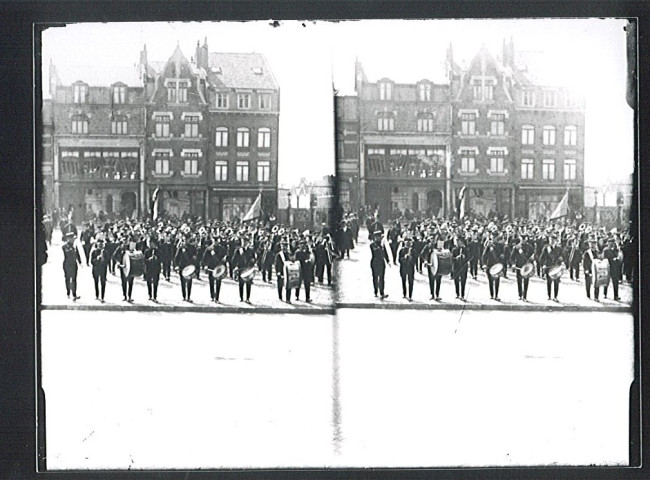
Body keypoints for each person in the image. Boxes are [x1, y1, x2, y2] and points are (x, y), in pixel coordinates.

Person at [539, 234, 564, 302]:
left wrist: (562, 259)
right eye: (551, 239)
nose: (552, 241)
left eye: (553, 240)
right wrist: (543, 265)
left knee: (556, 282)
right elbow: (541, 258)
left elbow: (563, 256)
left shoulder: (559, 248)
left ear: (556, 240)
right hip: (548, 267)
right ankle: (549, 296)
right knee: (549, 282)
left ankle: (555, 296)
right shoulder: (546, 248)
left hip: (556, 267)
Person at [202, 238, 227, 303]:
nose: (215, 242)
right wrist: (206, 265)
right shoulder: (209, 249)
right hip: (211, 267)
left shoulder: (222, 248)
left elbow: (225, 256)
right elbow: (205, 258)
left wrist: (225, 259)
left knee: (218, 283)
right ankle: (212, 296)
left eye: (217, 241)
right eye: (214, 241)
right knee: (211, 283)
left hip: (219, 268)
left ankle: (217, 298)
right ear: (212, 241)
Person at [232, 236, 257, 303]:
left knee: (248, 284)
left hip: (249, 269)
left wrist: (253, 260)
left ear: (248, 243)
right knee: (241, 284)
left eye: (245, 242)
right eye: (243, 241)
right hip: (241, 269)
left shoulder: (251, 250)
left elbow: (255, 259)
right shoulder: (238, 250)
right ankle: (241, 298)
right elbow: (234, 260)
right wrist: (236, 267)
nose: (244, 243)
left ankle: (247, 298)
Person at [112, 237, 135, 302]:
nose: (125, 242)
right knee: (124, 282)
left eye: (126, 240)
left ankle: (129, 296)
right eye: (124, 240)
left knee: (130, 282)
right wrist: (118, 262)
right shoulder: (119, 248)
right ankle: (125, 296)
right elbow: (114, 256)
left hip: (131, 267)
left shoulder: (131, 247)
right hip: (123, 267)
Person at [482, 236, 503, 301]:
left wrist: (502, 256)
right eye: (493, 238)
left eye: (495, 238)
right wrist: (484, 264)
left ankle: (496, 295)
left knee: (497, 281)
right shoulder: (488, 246)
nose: (494, 239)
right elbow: (484, 255)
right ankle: (491, 295)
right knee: (490, 281)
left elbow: (502, 255)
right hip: (489, 265)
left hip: (497, 266)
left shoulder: (500, 245)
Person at [369, 231, 390, 299]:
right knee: (375, 278)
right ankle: (375, 291)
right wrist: (381, 246)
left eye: (380, 237)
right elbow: (376, 251)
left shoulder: (382, 245)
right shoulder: (372, 245)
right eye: (378, 237)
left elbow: (385, 253)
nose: (380, 239)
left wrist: (388, 261)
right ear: (375, 237)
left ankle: (382, 293)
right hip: (375, 263)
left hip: (381, 263)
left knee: (382, 278)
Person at [174, 237, 195, 302]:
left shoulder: (192, 247)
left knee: (189, 283)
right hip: (182, 267)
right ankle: (184, 296)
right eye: (185, 239)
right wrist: (176, 266)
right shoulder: (181, 248)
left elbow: (195, 257)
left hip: (190, 267)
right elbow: (176, 257)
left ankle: (188, 297)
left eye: (187, 239)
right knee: (183, 282)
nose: (186, 241)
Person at [421, 236, 443, 301]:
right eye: (431, 239)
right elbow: (422, 254)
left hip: (439, 265)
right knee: (431, 280)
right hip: (431, 265)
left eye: (434, 239)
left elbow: (443, 253)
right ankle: (432, 295)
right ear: (429, 240)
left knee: (438, 280)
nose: (433, 240)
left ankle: (437, 294)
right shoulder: (427, 247)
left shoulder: (439, 246)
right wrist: (425, 260)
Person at [62, 232, 82, 300]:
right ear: (68, 239)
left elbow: (77, 254)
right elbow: (68, 253)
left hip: (74, 264)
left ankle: (74, 294)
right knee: (67, 279)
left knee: (74, 279)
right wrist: (72, 248)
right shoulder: (65, 246)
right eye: (72, 238)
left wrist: (80, 262)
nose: (73, 240)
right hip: (67, 264)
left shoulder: (74, 246)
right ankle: (68, 293)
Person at [511, 237, 531, 302]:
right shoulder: (516, 248)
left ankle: (525, 296)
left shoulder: (529, 247)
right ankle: (520, 295)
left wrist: (532, 258)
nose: (523, 241)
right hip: (519, 266)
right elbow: (511, 258)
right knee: (519, 281)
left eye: (524, 239)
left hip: (527, 267)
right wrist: (513, 264)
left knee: (526, 282)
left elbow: (533, 254)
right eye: (522, 240)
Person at [582, 236, 602, 301]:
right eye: (591, 244)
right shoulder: (586, 253)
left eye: (594, 244)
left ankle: (596, 297)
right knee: (588, 283)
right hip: (589, 269)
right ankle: (588, 295)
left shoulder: (597, 252)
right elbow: (584, 262)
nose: (592, 245)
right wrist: (586, 269)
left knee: (597, 283)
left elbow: (600, 260)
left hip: (596, 270)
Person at [603, 237, 622, 301]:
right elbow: (604, 258)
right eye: (610, 243)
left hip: (614, 268)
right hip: (608, 267)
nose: (611, 244)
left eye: (612, 243)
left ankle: (616, 296)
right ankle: (604, 294)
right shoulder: (606, 250)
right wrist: (612, 259)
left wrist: (617, 257)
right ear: (608, 243)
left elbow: (619, 257)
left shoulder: (616, 250)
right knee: (606, 281)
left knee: (615, 282)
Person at [90, 238, 109, 302]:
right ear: (97, 244)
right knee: (96, 282)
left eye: (102, 244)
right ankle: (97, 295)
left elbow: (108, 261)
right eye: (99, 244)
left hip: (103, 269)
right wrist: (97, 259)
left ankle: (102, 297)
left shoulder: (105, 252)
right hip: (96, 269)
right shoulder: (94, 252)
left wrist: (104, 260)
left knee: (103, 283)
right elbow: (91, 262)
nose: (100, 245)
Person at [451, 235, 469, 301]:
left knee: (463, 281)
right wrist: (456, 258)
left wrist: (464, 257)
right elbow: (451, 259)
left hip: (463, 267)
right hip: (456, 267)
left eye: (460, 241)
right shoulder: (454, 249)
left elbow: (469, 258)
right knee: (456, 280)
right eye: (457, 241)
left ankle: (462, 295)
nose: (458, 243)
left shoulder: (465, 250)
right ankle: (457, 294)